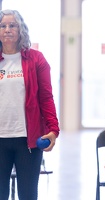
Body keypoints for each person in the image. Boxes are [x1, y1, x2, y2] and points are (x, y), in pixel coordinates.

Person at [0, 9, 60, 200]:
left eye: (12, 25)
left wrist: (53, 129)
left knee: (28, 194)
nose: (7, 29)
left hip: (29, 140)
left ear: (21, 30)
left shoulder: (36, 59)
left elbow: (46, 98)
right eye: (3, 26)